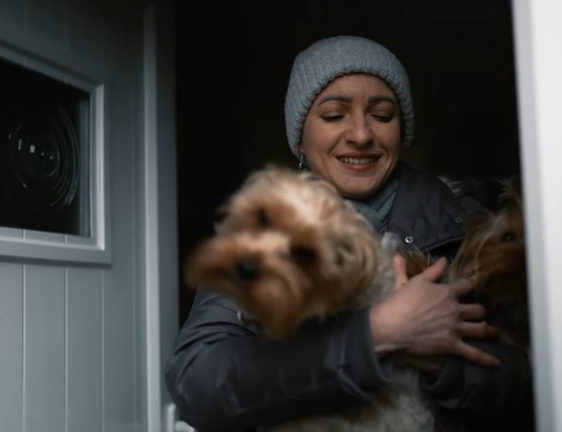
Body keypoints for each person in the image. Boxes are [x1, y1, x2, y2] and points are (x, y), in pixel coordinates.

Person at [165, 35, 534, 432]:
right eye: (334, 115)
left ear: (401, 130)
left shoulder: (468, 226)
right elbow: (197, 384)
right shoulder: (260, 231)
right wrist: (378, 336)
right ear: (300, 136)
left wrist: (439, 360)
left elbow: (534, 387)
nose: (360, 135)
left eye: (381, 114)